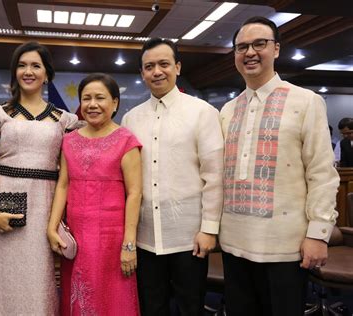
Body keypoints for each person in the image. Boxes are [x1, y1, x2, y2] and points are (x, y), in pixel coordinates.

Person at [219, 16, 339, 316]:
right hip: (234, 243)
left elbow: (322, 173)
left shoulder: (306, 101)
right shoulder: (227, 110)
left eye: (259, 44)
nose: (250, 52)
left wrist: (318, 234)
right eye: (242, 46)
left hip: (286, 245)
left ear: (276, 49)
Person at [0, 41, 79, 315]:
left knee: (42, 279)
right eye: (21, 65)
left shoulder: (65, 120)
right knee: (3, 278)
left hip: (46, 205)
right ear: (14, 72)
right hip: (4, 204)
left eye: (35, 65)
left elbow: (68, 174)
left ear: (47, 74)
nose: (28, 71)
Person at [121, 38, 224, 315]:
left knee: (191, 306)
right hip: (145, 237)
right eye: (149, 66)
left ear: (177, 67)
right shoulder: (130, 119)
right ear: (142, 73)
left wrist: (209, 229)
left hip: (189, 236)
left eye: (164, 64)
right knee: (152, 306)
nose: (157, 71)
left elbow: (214, 175)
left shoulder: (202, 112)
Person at [47, 73, 142, 315]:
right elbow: (63, 185)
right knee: (78, 295)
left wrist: (129, 245)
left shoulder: (126, 140)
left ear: (115, 103)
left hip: (112, 238)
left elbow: (134, 193)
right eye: (86, 98)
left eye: (100, 98)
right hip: (77, 236)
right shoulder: (68, 140)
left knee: (111, 298)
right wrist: (52, 226)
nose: (92, 104)